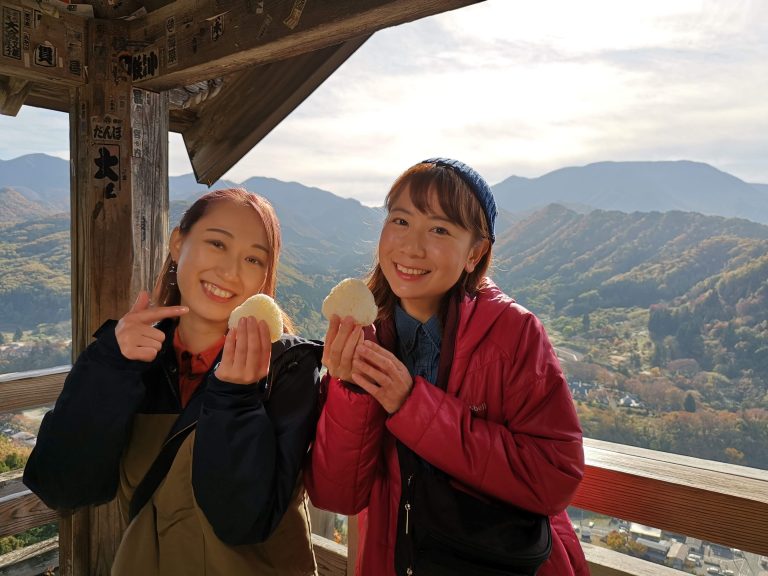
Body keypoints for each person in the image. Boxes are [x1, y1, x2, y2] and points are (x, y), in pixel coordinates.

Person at [305, 159, 588, 575]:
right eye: (400, 220)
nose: (411, 246)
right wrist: (351, 392)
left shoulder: (514, 334)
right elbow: (337, 496)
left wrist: (410, 405)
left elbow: (554, 476)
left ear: (475, 253)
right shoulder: (364, 335)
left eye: (439, 229)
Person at [24, 188, 323, 575]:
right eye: (217, 243)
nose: (230, 271)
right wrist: (110, 365)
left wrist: (235, 396)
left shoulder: (287, 366)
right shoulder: (129, 358)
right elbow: (62, 488)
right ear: (178, 241)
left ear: (265, 276)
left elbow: (241, 521)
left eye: (252, 259)